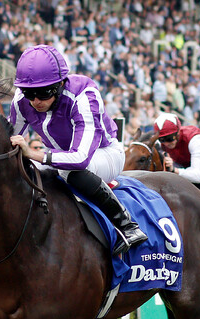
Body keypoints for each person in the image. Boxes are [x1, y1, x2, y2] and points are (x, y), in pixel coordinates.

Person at [9, 44, 146, 255]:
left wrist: (34, 153)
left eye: (44, 93)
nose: (36, 101)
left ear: (60, 84)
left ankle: (126, 225)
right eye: (29, 93)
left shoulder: (84, 95)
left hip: (103, 154)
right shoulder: (21, 101)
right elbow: (8, 139)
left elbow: (80, 158)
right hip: (59, 156)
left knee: (69, 171)